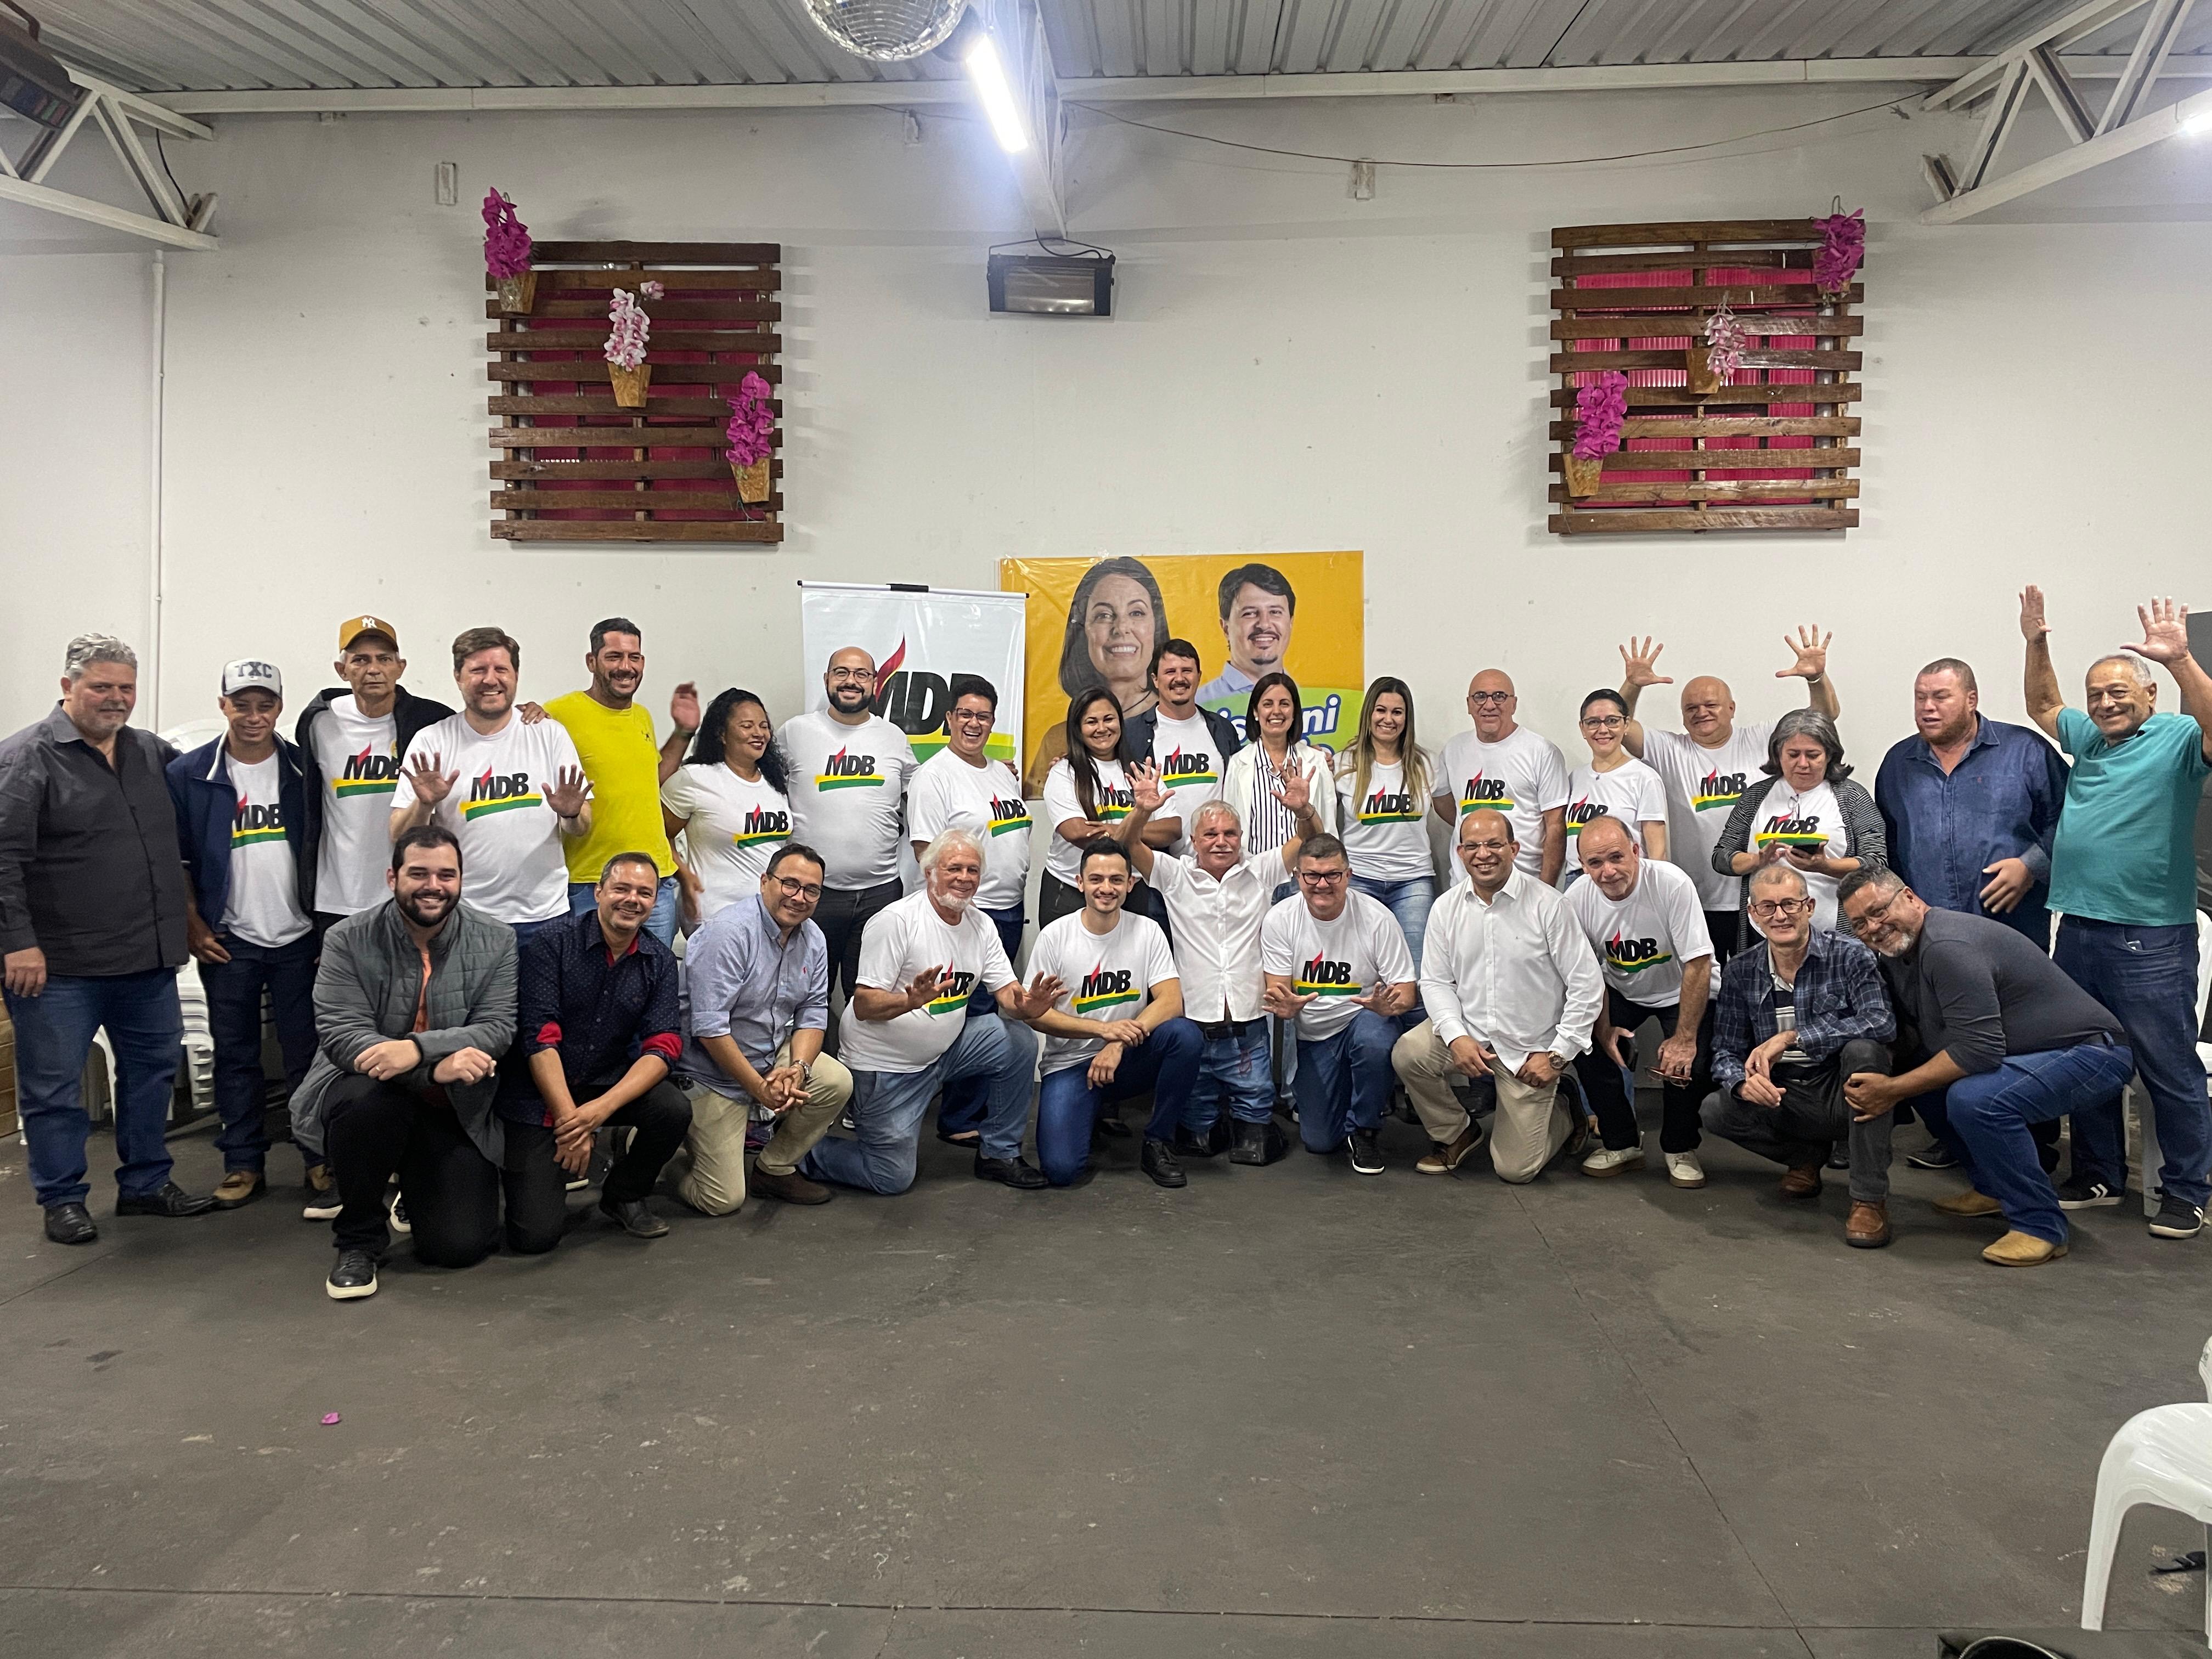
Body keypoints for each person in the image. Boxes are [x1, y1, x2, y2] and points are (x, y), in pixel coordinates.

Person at [0, 635, 212, 1244]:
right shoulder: (28, 758)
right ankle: (62, 1199)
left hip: (145, 959)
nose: (115, 699)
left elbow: (201, 805)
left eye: (125, 687)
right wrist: (17, 942)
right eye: (101, 687)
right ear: (68, 687)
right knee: (55, 1088)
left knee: (149, 1074)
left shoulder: (152, 753)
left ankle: (146, 1184)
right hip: (58, 966)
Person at [2023, 589, 2212, 1238]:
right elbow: (2045, 705)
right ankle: (2098, 1172)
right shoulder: (2093, 740)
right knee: (2089, 1055)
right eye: (2097, 693)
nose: (2104, 703)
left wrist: (2183, 661)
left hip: (2150, 936)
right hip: (2077, 926)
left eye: (2119, 692)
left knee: (2167, 1064)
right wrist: (2036, 641)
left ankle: (2188, 1191)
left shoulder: (2180, 737)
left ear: (2150, 695)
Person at [1839, 867, 2134, 1266]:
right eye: (1860, 923)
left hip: (2092, 1054)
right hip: (2030, 1054)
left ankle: (2041, 1227)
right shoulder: (1901, 952)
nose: (1874, 927)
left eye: (1879, 911)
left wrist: (1891, 1090)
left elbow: (1979, 1052)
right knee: (1927, 1082)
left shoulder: (1947, 946)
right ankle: (1995, 1189)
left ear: (1909, 897)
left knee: (1976, 1099)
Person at [308, 825, 517, 1301]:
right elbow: (342, 1035)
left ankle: (414, 1188)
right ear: (392, 877)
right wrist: (432, 1066)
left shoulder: (498, 939)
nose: (433, 886)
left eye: (447, 875)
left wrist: (418, 1050)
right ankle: (359, 1240)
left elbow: (498, 1028)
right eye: (418, 873)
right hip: (374, 1093)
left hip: (453, 1104)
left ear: (462, 879)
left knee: (459, 1247)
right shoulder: (346, 939)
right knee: (365, 1105)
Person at [799, 830, 1057, 1195]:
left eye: (973, 870)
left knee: (1017, 1039)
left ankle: (999, 1154)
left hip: (945, 1053)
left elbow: (1009, 996)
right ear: (930, 872)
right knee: (889, 1177)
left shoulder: (981, 925)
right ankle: (799, 1151)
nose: (964, 878)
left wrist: (1029, 1006)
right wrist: (908, 1002)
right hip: (887, 1067)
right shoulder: (897, 922)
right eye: (954, 868)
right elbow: (864, 1005)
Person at [167, 660, 318, 1211]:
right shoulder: (189, 774)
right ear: (223, 704)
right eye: (242, 704)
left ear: (280, 708)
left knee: (307, 1053)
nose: (254, 716)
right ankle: (243, 1163)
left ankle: (317, 1156)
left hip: (299, 936)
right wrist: (193, 923)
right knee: (235, 1054)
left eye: (266, 705)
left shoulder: (305, 770)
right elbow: (178, 860)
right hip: (228, 940)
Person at [1392, 810, 1602, 1183]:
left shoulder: (1549, 905)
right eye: (1472, 846)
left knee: (1515, 1170)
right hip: (1472, 1032)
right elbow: (1436, 982)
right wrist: (1456, 1037)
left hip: (1529, 1049)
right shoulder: (1446, 908)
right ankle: (1456, 1133)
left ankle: (1566, 1113)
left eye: (1493, 844)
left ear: (1514, 849)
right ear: (1460, 852)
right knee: (1410, 1053)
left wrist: (1557, 1056)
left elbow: (1587, 985)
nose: (1483, 854)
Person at [497, 850, 691, 1244]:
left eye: (644, 892)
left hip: (603, 1082)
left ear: (655, 901)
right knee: (533, 1237)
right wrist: (572, 1122)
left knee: (672, 1109)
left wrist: (597, 1113)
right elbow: (539, 1037)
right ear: (598, 891)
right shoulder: (552, 944)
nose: (632, 899)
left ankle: (624, 1194)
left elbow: (665, 1046)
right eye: (621, 888)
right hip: (539, 1093)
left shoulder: (659, 960)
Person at [1124, 771, 1317, 1167]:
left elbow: (1310, 842)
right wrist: (1142, 811)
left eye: (1230, 833)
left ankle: (1246, 1119)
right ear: (1193, 842)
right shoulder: (1174, 875)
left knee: (1255, 1140)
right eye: (1210, 835)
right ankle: (1211, 1120)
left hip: (1248, 1028)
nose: (1221, 841)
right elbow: (1126, 844)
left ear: (1241, 837)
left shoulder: (1261, 871)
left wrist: (1303, 811)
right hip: (1196, 1028)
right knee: (1199, 1139)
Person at [1701, 864, 1897, 1249]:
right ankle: (1805, 1157)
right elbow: (1725, 1049)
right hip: (1785, 1092)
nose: (1780, 916)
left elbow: (1882, 1021)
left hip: (1838, 1086)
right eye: (1768, 907)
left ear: (1809, 906)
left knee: (1866, 1053)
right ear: (1753, 915)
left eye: (1790, 904)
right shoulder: (1741, 971)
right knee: (1716, 1108)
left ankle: (1868, 1199)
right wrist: (1742, 1083)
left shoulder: (1850, 955)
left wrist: (1794, 1037)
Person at [1618, 627, 1841, 961]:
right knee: (1704, 989)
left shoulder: (1761, 738)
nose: (1701, 712)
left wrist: (1816, 678)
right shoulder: (1670, 749)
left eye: (1711, 704)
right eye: (1691, 707)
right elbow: (1618, 726)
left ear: (1732, 708)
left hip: (1760, 896)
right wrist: (1632, 686)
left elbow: (1822, 718)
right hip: (1697, 895)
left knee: (1760, 983)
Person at [674, 843, 851, 1212]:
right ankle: (655, 1153)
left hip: (770, 1054)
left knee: (836, 1081)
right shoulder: (729, 933)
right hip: (713, 1074)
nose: (799, 897)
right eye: (789, 884)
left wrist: (799, 1071)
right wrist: (758, 1088)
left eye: (811, 890)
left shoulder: (814, 939)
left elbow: (814, 1009)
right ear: (765, 882)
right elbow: (709, 1028)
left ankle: (774, 1168)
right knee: (721, 1200)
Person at [391, 627, 591, 945]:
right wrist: (425, 805)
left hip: (545, 916)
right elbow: (398, 836)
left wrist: (571, 814)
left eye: (501, 669)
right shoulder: (432, 741)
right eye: (478, 670)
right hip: (465, 918)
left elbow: (582, 827)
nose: (490, 680)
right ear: (458, 676)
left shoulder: (549, 734)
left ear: (516, 674)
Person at [1024, 837, 1200, 1189]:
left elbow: (1171, 1001)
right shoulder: (1055, 937)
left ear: (1131, 884)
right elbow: (1036, 1015)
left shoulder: (1147, 931)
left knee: (1185, 1036)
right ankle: (1089, 1111)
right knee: (1061, 1172)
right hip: (1071, 1065)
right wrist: (1103, 1031)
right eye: (1097, 879)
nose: (1107, 888)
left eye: (1117, 880)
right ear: (1080, 883)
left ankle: (1158, 1141)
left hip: (1128, 1057)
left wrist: (1118, 1043)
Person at [908, 675, 1033, 1147]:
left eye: (983, 716)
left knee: (993, 1013)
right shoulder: (934, 776)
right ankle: (958, 1117)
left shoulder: (1001, 772)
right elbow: (926, 851)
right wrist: (958, 910)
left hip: (1007, 908)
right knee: (970, 1014)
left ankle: (977, 1107)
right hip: (969, 914)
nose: (974, 723)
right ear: (949, 719)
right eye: (965, 714)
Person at [1874, 658, 2068, 949]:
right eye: (1921, 697)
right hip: (1930, 938)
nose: (1928, 707)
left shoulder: (2024, 750)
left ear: (1971, 700)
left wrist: (2032, 866)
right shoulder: (1897, 764)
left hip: (2013, 932)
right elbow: (1888, 845)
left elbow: (2070, 817)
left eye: (1941, 697)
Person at [1564, 816, 1714, 1188]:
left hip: (1683, 987)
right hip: (1621, 988)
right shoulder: (1576, 898)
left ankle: (1680, 1147)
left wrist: (1684, 1040)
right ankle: (1622, 1144)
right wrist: (1601, 1029)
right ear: (1583, 866)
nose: (1608, 871)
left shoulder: (1671, 883)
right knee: (1585, 1044)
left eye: (1617, 857)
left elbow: (1698, 964)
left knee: (1691, 1060)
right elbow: (1585, 972)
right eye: (1595, 863)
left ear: (1637, 851)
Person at [1261, 833, 1418, 1173]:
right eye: (1312, 876)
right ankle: (1345, 1099)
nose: (1322, 884)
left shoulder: (1376, 917)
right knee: (1320, 1143)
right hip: (1313, 1036)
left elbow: (1406, 990)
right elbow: (1277, 990)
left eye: (1333, 875)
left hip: (1362, 1019)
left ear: (1348, 875)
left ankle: (1365, 1129)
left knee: (1376, 1039)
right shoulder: (1280, 919)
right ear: (1298, 877)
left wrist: (1389, 1007)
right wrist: (1284, 1009)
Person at [538, 619, 696, 947]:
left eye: (634, 657)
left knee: (652, 982)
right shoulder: (558, 714)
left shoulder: (641, 716)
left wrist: (683, 732)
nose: (626, 667)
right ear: (591, 661)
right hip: (590, 885)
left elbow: (650, 779)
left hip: (656, 882)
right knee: (591, 989)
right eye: (614, 657)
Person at [295, 615, 454, 938]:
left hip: (412, 894)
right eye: (360, 660)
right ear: (342, 670)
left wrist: (527, 713)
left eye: (384, 659)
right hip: (336, 898)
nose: (373, 669)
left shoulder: (434, 722)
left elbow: (485, 726)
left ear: (401, 666)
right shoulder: (318, 723)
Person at [777, 647, 918, 1002]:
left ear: (875, 684)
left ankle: (860, 1060)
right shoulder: (794, 733)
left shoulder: (893, 737)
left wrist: (986, 770)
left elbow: (928, 788)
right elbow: (753, 782)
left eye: (861, 674)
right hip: (811, 895)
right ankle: (808, 1059)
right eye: (841, 673)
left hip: (880, 895)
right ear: (826, 680)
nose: (850, 681)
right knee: (806, 996)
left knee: (868, 996)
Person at [1711, 710, 1886, 935]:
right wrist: (1757, 860)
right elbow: (1721, 857)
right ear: (1778, 754)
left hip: (1835, 932)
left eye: (1813, 755)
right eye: (1793, 755)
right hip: (1764, 932)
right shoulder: (1756, 796)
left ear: (1829, 755)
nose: (1803, 764)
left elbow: (1877, 863)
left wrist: (1825, 866)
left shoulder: (1852, 797)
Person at [1028, 557, 1171, 791]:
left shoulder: (1177, 725)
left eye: (1136, 613)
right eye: (1104, 615)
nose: (1121, 628)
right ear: (1084, 630)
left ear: (1156, 626)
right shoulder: (1058, 740)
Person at [661, 687, 792, 929]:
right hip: (715, 917)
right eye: (747, 726)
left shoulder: (774, 782)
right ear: (722, 734)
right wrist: (685, 876)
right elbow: (658, 835)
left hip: (768, 918)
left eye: (764, 726)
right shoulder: (696, 778)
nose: (758, 733)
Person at [1431, 669, 1568, 887]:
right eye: (1480, 697)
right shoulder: (1453, 750)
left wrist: (1546, 888)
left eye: (1499, 696)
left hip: (1525, 883)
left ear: (1514, 704)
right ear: (1469, 705)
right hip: (1464, 886)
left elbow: (1555, 826)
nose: (1489, 705)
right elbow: (1447, 805)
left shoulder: (1541, 751)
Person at [1336, 676, 1436, 970]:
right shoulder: (1343, 764)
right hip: (1359, 878)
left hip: (1413, 881)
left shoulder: (1427, 764)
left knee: (1415, 972)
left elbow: (1453, 814)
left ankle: (1416, 1021)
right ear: (1369, 714)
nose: (1388, 719)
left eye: (1397, 712)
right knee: (1362, 969)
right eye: (1381, 711)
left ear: (1407, 718)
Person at [1040, 688, 1153, 929]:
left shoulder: (1142, 773)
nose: (1102, 728)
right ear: (1078, 728)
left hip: (1131, 887)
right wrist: (1138, 830)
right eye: (1091, 722)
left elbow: (1171, 829)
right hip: (1070, 889)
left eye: (1109, 719)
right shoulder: (1064, 771)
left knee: (1128, 966)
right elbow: (1077, 832)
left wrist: (1113, 829)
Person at [1118, 637, 1240, 859]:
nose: (1179, 679)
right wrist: (1068, 763)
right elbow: (1101, 765)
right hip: (1156, 863)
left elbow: (1250, 772)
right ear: (1155, 680)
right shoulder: (1131, 733)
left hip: (1216, 861)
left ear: (1199, 677)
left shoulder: (1222, 729)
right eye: (1170, 672)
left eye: (1187, 671)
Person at [1222, 670, 1339, 877]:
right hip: (1256, 877)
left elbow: (1329, 827)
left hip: (1306, 878)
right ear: (1256, 712)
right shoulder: (1238, 763)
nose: (1276, 711)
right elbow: (1232, 828)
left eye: (1284, 704)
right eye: (1268, 704)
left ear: (1294, 713)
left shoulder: (1316, 762)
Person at [1564, 688, 1666, 881]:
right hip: (1577, 880)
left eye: (1612, 721)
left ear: (1626, 724)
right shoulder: (1575, 778)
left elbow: (1658, 854)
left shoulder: (1644, 777)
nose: (1603, 730)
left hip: (1622, 880)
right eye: (1593, 722)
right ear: (1582, 728)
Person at [1198, 563, 1295, 714]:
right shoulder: (1198, 706)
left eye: (1275, 612)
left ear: (1290, 622)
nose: (1264, 624)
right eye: (1249, 613)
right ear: (1225, 627)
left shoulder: (1312, 699)